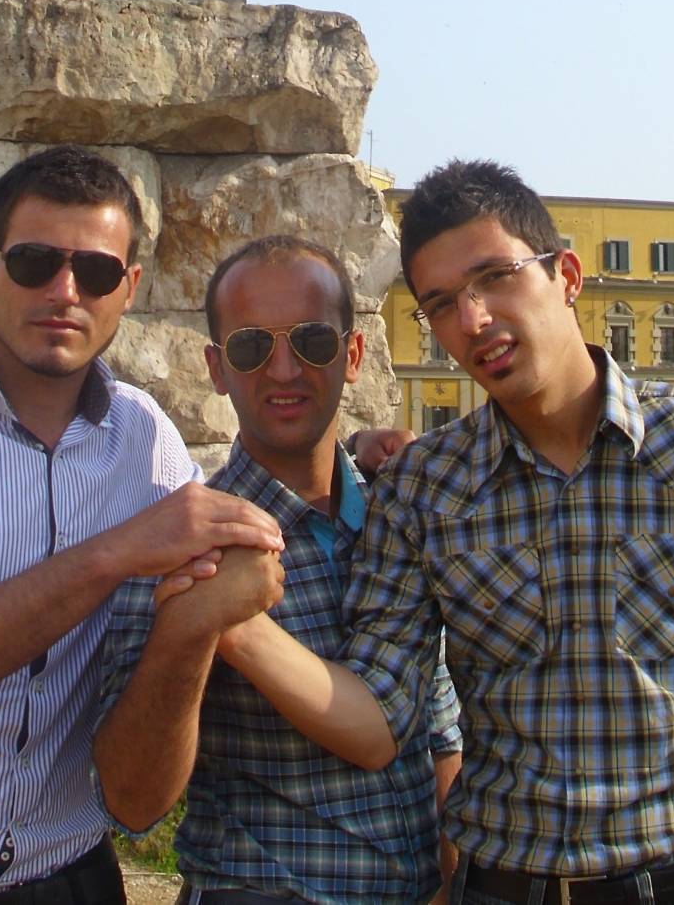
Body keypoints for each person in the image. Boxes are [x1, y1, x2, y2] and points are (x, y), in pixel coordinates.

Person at [222, 161, 674, 905]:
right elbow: (380, 717)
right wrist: (232, 623)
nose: (474, 320)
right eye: (441, 304)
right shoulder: (425, 489)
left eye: (494, 278)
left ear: (566, 275)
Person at [0, 146, 286, 904]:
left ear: (129, 289)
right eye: (35, 262)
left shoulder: (143, 438)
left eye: (96, 272)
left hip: (70, 873)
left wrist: (367, 461)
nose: (65, 291)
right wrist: (114, 553)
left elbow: (223, 533)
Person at [94, 236, 464, 904]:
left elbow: (440, 735)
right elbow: (132, 802)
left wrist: (453, 881)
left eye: (313, 341)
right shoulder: (176, 546)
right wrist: (192, 627)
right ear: (216, 367)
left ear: (353, 356)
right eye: (251, 347)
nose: (285, 370)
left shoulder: (398, 516)